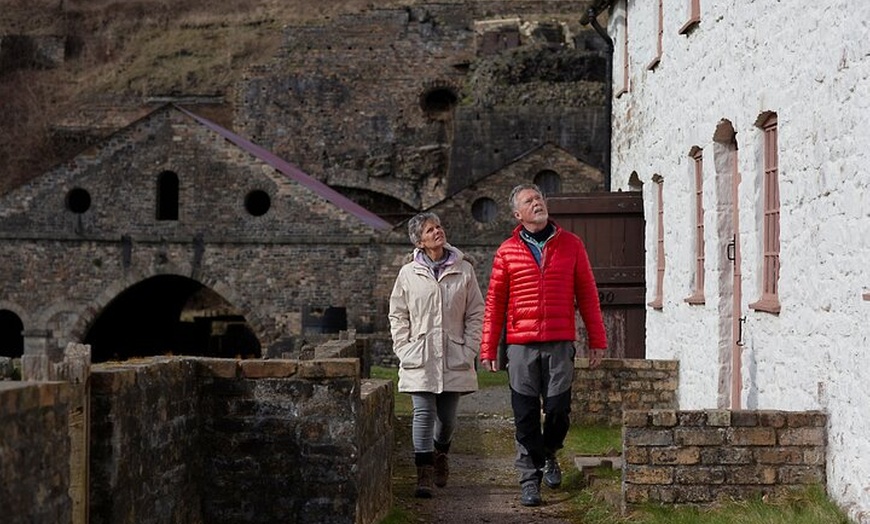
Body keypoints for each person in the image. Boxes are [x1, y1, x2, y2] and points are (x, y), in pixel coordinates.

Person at [479, 184, 607, 507]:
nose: (537, 203)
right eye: (529, 201)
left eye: (539, 198)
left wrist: (598, 340)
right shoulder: (507, 251)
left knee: (558, 412)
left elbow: (588, 296)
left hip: (560, 343)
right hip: (521, 346)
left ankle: (549, 452)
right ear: (517, 214)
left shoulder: (572, 245)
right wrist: (488, 347)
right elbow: (495, 302)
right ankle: (529, 479)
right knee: (524, 416)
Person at [389, 212, 485, 498]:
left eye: (439, 226)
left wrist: (470, 347)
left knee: (447, 420)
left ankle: (441, 453)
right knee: (423, 412)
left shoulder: (464, 269)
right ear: (420, 240)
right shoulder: (407, 273)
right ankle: (423, 473)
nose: (437, 232)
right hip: (419, 354)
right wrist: (404, 346)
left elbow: (476, 311)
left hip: (454, 353)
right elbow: (398, 313)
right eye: (430, 230)